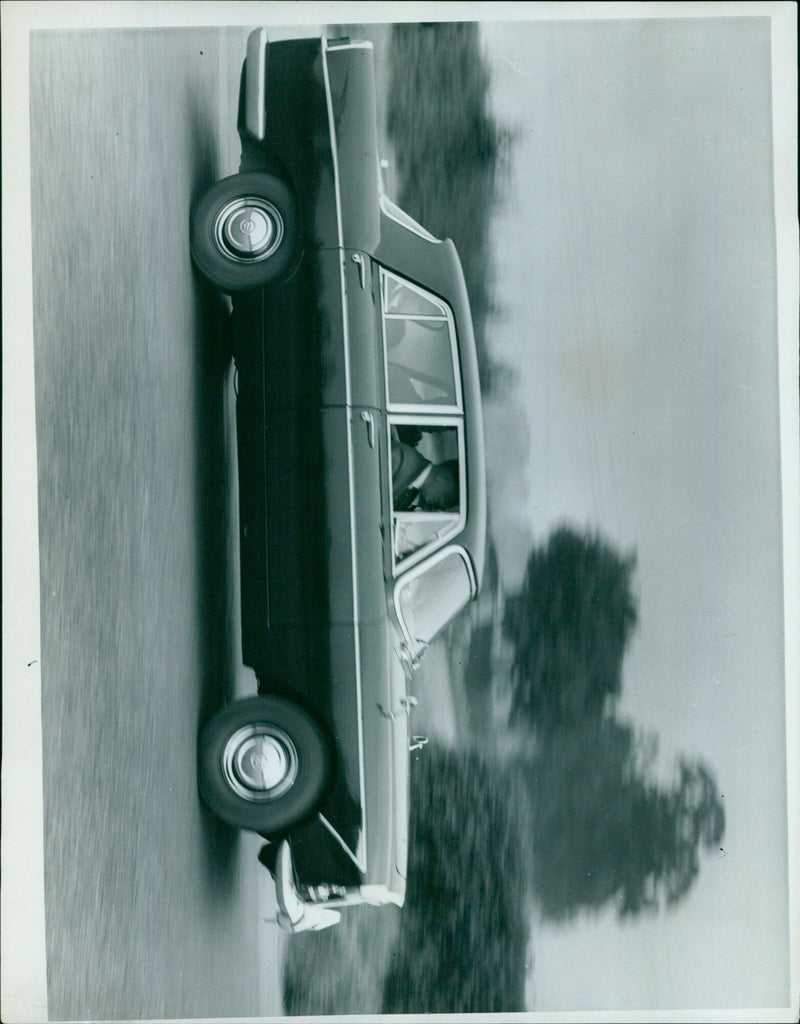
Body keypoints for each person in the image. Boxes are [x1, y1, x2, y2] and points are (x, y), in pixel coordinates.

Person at [391, 427, 459, 512]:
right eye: (448, 498)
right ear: (443, 477)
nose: (442, 505)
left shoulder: (412, 488)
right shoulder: (399, 460)